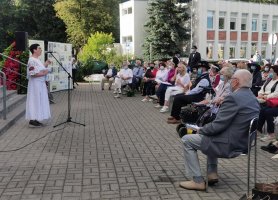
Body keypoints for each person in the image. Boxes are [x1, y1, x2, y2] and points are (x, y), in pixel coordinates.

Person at [179, 69, 260, 191]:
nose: (231, 81)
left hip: (230, 144)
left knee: (187, 139)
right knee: (211, 133)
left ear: (236, 82)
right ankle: (212, 173)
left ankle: (197, 181)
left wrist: (200, 130)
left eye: (232, 79)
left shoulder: (233, 98)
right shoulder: (253, 98)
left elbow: (218, 126)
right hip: (245, 143)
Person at [25, 44, 51, 127]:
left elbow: (39, 69)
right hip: (35, 85)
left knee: (39, 101)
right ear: (34, 50)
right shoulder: (32, 60)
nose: (41, 50)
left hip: (40, 84)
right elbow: (32, 73)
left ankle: (36, 119)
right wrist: (45, 72)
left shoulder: (37, 59)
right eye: (39, 48)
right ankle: (32, 120)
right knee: (35, 100)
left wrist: (45, 64)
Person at [257, 65, 278, 142]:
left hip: (274, 103)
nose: (270, 72)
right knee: (263, 110)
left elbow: (276, 94)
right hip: (268, 102)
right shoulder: (269, 80)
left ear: (276, 72)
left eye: (271, 71)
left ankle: (271, 134)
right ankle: (258, 130)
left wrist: (266, 96)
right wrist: (260, 94)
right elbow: (262, 88)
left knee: (267, 112)